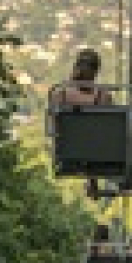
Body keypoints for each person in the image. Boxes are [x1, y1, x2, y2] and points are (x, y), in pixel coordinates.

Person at [50, 49, 112, 198]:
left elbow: (55, 121)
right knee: (93, 137)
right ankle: (93, 177)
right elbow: (108, 125)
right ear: (96, 71)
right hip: (95, 150)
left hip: (68, 149)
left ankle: (91, 179)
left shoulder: (61, 93)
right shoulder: (103, 96)